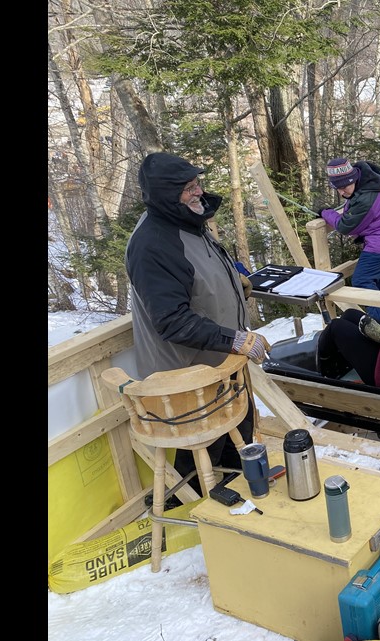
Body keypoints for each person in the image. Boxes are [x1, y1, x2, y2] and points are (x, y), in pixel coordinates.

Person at [125, 152, 270, 495]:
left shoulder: (187, 222)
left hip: (220, 366)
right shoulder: (152, 245)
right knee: (204, 453)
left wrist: (233, 280)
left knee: (240, 441)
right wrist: (237, 340)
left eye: (197, 184)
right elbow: (172, 321)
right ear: (164, 194)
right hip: (186, 374)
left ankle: (245, 503)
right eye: (188, 188)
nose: (198, 192)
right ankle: (192, 519)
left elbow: (194, 277)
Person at [318, 158, 380, 325]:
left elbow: (345, 226)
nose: (341, 192)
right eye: (337, 188)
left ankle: (379, 325)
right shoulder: (369, 182)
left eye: (344, 187)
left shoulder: (366, 198)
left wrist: (326, 213)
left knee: (362, 280)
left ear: (353, 179)